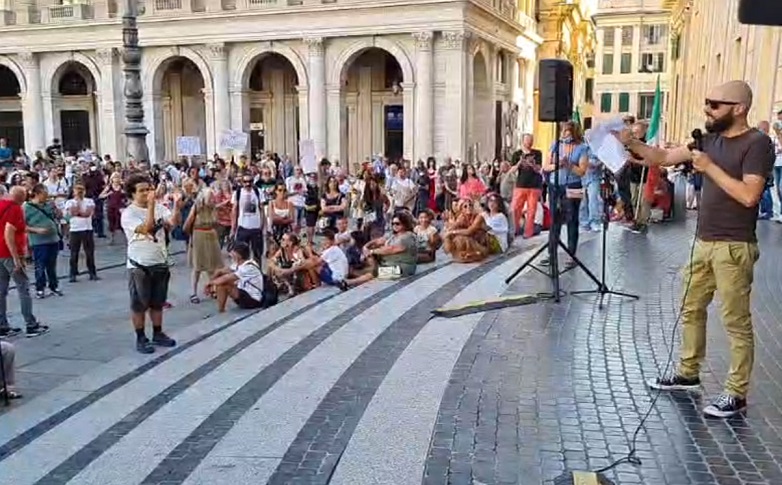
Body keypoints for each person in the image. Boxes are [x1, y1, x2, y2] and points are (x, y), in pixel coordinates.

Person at [614, 80, 774, 418]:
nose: (707, 109)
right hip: (703, 242)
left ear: (739, 108)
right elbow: (662, 156)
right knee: (690, 307)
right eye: (706, 102)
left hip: (734, 246)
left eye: (715, 104)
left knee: (736, 321)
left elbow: (749, 196)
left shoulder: (757, 144)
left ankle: (736, 392)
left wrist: (710, 168)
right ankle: (688, 373)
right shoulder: (709, 140)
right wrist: (632, 143)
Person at [121, 174, 184, 354]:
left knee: (158, 302)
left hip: (159, 261)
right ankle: (141, 337)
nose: (147, 193)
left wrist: (177, 207)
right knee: (139, 303)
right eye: (142, 191)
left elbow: (172, 223)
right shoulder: (129, 213)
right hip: (139, 264)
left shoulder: (158, 207)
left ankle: (158, 333)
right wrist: (150, 206)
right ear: (132, 194)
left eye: (149, 189)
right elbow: (147, 228)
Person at [0, 186, 48, 338]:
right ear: (21, 197)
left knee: (1, 290)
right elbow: (9, 231)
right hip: (9, 253)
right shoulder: (15, 209)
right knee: (23, 288)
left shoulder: (3, 207)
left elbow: (17, 227)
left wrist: (34, 230)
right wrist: (16, 258)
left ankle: (2, 326)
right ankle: (30, 324)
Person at [205, 242, 268, 313]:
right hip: (245, 292)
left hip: (254, 299)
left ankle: (221, 311)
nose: (230, 254)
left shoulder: (248, 267)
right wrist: (215, 276)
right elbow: (220, 271)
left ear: (238, 255)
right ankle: (217, 299)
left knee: (223, 285)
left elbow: (226, 278)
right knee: (222, 279)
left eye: (233, 252)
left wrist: (209, 284)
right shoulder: (239, 264)